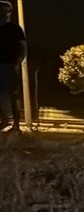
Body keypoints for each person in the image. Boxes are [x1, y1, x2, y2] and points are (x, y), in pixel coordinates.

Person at [0, 0, 27, 133]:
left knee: (13, 95)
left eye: (7, 12)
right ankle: (4, 120)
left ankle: (16, 125)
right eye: (2, 12)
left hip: (10, 65)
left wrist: (18, 62)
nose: (5, 15)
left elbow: (23, 47)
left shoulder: (15, 29)